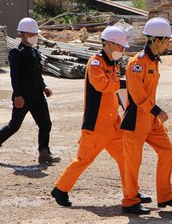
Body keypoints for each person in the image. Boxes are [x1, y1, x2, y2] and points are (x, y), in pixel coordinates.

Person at [51, 26, 151, 207]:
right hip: (97, 125)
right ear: (111, 44)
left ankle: (132, 193)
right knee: (83, 160)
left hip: (113, 124)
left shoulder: (112, 63)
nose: (123, 50)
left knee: (126, 158)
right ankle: (61, 188)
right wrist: (121, 82)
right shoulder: (95, 62)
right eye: (121, 47)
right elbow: (101, 85)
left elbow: (115, 91)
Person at [120, 17, 172, 215]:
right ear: (156, 41)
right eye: (166, 40)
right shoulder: (137, 63)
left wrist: (154, 114)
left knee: (167, 152)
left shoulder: (154, 61)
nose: (168, 45)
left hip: (150, 120)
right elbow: (137, 94)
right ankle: (130, 201)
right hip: (136, 121)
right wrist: (157, 110)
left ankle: (165, 196)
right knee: (133, 163)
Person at [0, 17, 59, 164]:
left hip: (37, 96)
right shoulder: (16, 52)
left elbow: (36, 74)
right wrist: (18, 95)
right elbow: (15, 76)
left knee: (46, 124)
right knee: (14, 126)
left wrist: (44, 86)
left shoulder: (34, 52)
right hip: (23, 96)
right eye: (33, 34)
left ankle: (44, 152)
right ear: (24, 34)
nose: (35, 36)